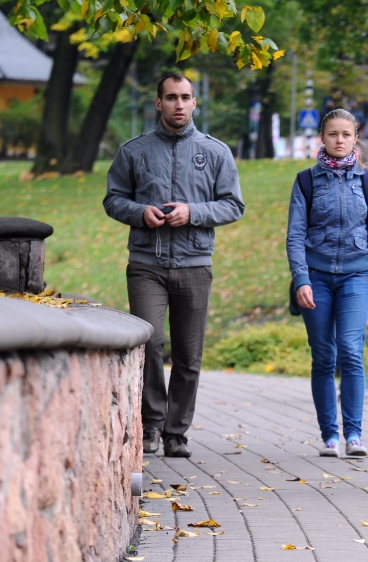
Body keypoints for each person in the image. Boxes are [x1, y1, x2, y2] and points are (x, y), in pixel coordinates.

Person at [104, 72, 245, 458]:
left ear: (195, 103)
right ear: (158, 103)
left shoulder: (216, 152)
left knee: (188, 353)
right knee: (150, 343)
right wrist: (139, 212)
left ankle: (176, 432)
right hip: (147, 263)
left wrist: (193, 212)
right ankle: (151, 425)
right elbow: (113, 199)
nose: (178, 104)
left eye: (185, 97)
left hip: (195, 264)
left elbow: (233, 204)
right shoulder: (134, 150)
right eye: (171, 97)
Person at [287, 109, 368, 458]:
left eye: (346, 134)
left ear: (355, 136)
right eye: (333, 134)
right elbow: (295, 236)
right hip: (316, 278)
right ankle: (330, 435)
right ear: (322, 137)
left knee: (350, 350)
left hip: (356, 276)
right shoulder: (305, 181)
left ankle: (355, 434)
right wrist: (300, 278)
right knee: (323, 356)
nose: (339, 140)